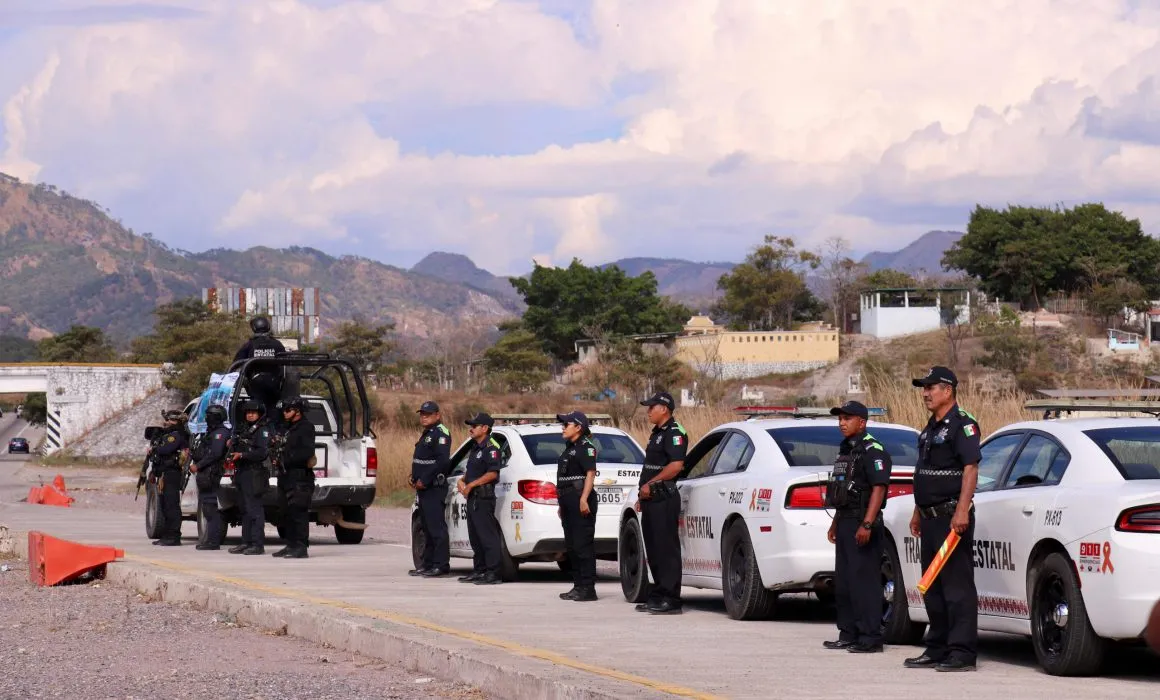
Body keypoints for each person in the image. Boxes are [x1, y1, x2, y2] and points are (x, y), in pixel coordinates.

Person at [905, 366, 981, 672]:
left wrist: (962, 510)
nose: (925, 393)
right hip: (929, 517)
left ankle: (961, 652)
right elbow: (924, 472)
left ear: (947, 390)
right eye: (923, 388)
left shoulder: (963, 425)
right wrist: (916, 511)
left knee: (956, 587)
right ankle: (937, 646)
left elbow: (970, 469)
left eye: (930, 388)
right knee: (932, 584)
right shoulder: (930, 428)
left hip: (952, 518)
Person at [824, 400, 892, 653]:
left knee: (864, 582)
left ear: (861, 422)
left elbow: (878, 488)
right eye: (840, 419)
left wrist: (867, 523)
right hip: (845, 519)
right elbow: (843, 489)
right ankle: (848, 633)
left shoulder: (873, 450)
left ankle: (870, 637)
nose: (842, 423)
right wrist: (835, 523)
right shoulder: (846, 449)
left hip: (864, 521)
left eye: (847, 419)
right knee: (845, 582)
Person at [636, 391, 687, 615]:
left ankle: (671, 598)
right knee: (654, 549)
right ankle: (657, 594)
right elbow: (651, 467)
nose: (648, 411)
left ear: (664, 409)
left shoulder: (675, 432)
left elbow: (676, 466)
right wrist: (641, 493)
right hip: (650, 498)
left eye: (651, 407)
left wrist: (650, 484)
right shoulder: (656, 433)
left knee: (666, 549)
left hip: (664, 497)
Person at [555, 411, 599, 602]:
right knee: (572, 546)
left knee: (583, 545)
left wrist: (583, 499)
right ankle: (578, 585)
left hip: (579, 497)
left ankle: (588, 588)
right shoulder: (569, 447)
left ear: (579, 427)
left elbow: (590, 473)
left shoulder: (585, 447)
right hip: (567, 499)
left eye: (567, 424)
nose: (563, 428)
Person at [458, 412, 504, 586]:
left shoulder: (491, 447)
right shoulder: (476, 447)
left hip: (483, 497)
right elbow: (472, 471)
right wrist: (463, 481)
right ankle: (479, 570)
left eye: (474, 426)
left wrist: (471, 485)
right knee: (475, 537)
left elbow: (493, 473)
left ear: (485, 428)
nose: (471, 429)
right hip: (473, 497)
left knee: (487, 536)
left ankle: (493, 572)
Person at [408, 400, 452, 577]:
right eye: (422, 414)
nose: (424, 417)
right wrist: (414, 477)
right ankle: (427, 563)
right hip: (423, 487)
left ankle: (441, 564)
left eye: (428, 414)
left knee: (436, 527)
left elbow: (442, 461)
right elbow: (422, 460)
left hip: (433, 487)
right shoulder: (428, 433)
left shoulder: (441, 433)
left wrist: (424, 480)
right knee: (426, 527)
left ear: (437, 415)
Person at [273, 396, 317, 559]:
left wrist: (286, 458)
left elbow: (306, 452)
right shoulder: (287, 428)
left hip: (299, 478)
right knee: (285, 513)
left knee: (298, 512)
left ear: (297, 411)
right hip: (285, 476)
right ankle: (290, 544)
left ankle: (300, 547)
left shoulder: (306, 428)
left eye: (288, 410)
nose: (285, 413)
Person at [228, 400, 270, 555]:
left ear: (259, 414)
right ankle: (246, 542)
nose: (250, 415)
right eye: (248, 412)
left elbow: (262, 452)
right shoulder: (246, 429)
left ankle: (257, 544)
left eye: (253, 412)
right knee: (244, 509)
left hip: (254, 473)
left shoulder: (262, 429)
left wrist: (243, 455)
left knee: (254, 509)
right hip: (242, 472)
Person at [189, 404, 230, 551]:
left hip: (211, 473)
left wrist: (198, 465)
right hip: (205, 473)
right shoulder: (210, 433)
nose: (207, 418)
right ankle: (210, 539)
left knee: (211, 508)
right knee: (207, 508)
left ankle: (213, 541)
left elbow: (215, 454)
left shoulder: (221, 433)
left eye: (210, 415)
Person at [151, 409, 189, 546]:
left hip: (172, 472)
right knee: (165, 505)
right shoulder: (168, 434)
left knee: (171, 505)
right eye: (167, 420)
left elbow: (165, 450)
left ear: (178, 422)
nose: (167, 423)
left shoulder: (176, 435)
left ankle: (173, 536)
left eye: (171, 420)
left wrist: (156, 447)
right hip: (164, 472)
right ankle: (167, 535)